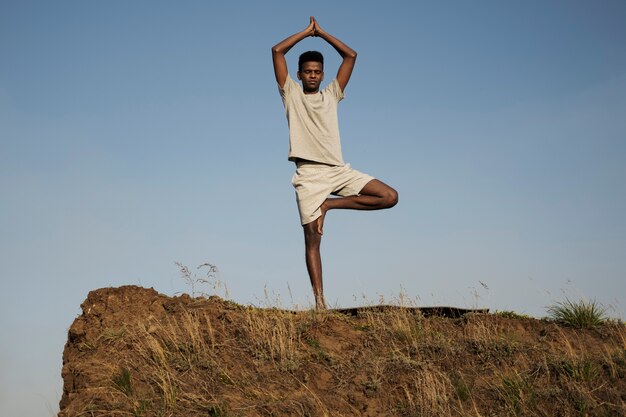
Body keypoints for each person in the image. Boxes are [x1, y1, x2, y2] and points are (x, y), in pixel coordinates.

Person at [272, 16, 398, 309]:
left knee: (389, 196)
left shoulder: (332, 94)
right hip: (308, 176)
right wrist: (305, 33)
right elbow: (277, 52)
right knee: (313, 240)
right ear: (299, 75)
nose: (313, 76)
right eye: (308, 72)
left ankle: (329, 204)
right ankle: (320, 304)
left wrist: (322, 34)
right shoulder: (290, 94)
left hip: (339, 171)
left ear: (323, 74)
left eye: (317, 71)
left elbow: (351, 56)